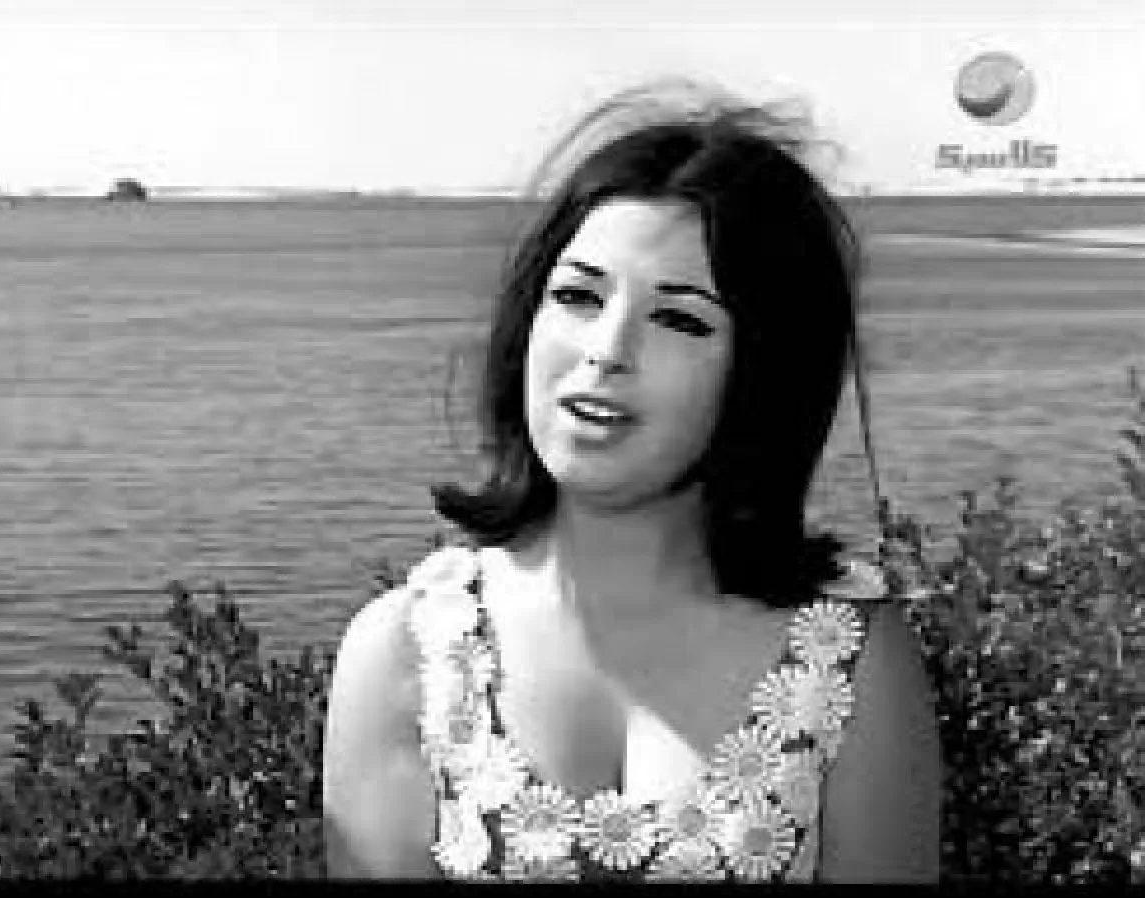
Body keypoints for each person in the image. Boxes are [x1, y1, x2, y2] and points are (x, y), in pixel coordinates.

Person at [322, 77, 941, 883]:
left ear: (765, 373)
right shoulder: (404, 653)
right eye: (577, 295)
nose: (606, 350)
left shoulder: (850, 662)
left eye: (679, 318)